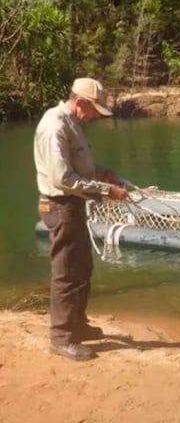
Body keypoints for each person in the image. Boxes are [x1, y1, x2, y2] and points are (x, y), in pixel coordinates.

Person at [34, 77, 129, 361]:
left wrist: (103, 172)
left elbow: (80, 164)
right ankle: (61, 337)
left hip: (73, 205)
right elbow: (62, 178)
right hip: (59, 204)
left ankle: (77, 324)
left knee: (82, 266)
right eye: (94, 111)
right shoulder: (55, 126)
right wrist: (106, 190)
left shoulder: (73, 123)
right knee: (65, 272)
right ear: (81, 103)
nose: (96, 117)